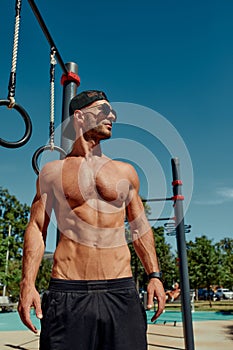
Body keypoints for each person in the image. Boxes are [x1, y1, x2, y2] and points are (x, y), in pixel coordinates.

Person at [18, 90, 166, 350]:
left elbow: (140, 227)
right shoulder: (52, 173)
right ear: (79, 116)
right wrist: (27, 283)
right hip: (67, 291)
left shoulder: (125, 171)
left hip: (120, 290)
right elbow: (36, 229)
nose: (112, 116)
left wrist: (154, 275)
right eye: (104, 110)